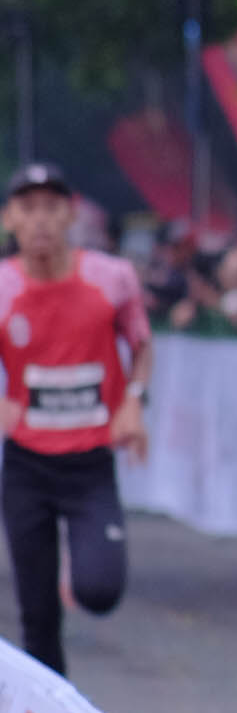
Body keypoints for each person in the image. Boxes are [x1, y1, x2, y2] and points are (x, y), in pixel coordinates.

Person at [0, 161, 150, 676]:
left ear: (71, 215)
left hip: (89, 464)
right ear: (9, 219)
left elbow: (141, 345)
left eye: (51, 207)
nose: (40, 219)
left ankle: (79, 560)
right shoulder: (3, 287)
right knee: (37, 619)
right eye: (27, 208)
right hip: (27, 466)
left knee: (99, 590)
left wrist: (134, 400)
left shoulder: (113, 278)